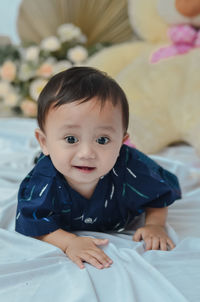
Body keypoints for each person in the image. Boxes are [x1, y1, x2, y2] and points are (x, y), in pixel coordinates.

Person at [15, 67, 181, 270]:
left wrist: (155, 224)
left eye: (102, 140)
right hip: (51, 162)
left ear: (122, 142)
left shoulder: (132, 169)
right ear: (44, 141)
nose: (86, 153)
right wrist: (69, 242)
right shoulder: (43, 181)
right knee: (47, 162)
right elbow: (31, 221)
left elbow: (159, 195)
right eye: (71, 139)